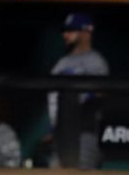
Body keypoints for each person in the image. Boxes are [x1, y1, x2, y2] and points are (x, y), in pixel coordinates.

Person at [47, 13, 109, 170]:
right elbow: (54, 101)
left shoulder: (95, 62)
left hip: (85, 133)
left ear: (86, 32)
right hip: (61, 135)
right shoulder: (62, 63)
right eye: (65, 31)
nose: (65, 34)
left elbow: (98, 96)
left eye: (71, 30)